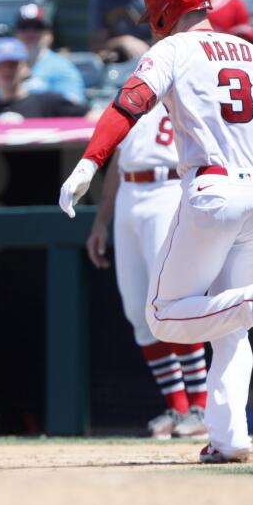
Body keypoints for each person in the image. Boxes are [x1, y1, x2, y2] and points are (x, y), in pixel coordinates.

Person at [59, 0, 253, 463]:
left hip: (213, 189)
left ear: (165, 13)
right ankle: (230, 438)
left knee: (165, 315)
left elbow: (128, 106)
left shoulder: (173, 49)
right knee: (228, 321)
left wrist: (88, 163)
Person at [85, 105, 209, 439]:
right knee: (137, 310)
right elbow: (118, 161)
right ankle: (178, 407)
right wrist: (101, 220)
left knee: (171, 298)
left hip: (169, 187)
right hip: (129, 191)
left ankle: (201, 405)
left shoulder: (185, 86)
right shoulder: (134, 94)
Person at [0, 4, 86, 106]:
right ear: (15, 33)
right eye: (24, 27)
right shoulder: (1, 66)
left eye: (37, 27)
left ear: (49, 34)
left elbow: (73, 105)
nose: (30, 33)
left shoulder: (62, 67)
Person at [0, 38, 91, 120]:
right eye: (1, 65)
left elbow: (91, 116)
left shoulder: (49, 103)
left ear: (25, 68)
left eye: (13, 64)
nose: (7, 70)